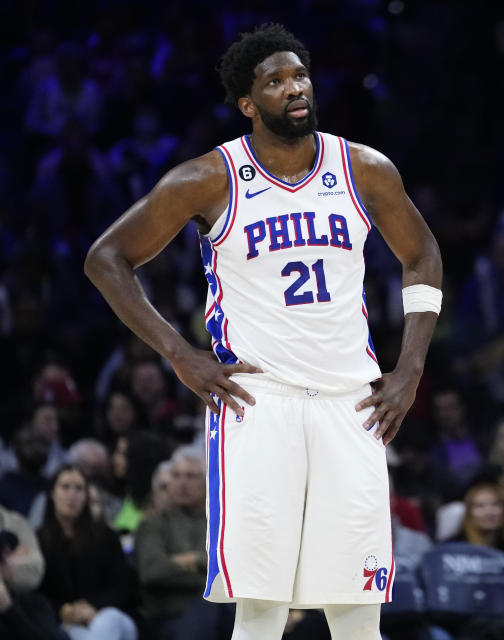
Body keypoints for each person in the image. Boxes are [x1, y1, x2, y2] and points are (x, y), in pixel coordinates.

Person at [84, 23, 442, 640]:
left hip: (352, 401)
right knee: (261, 608)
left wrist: (409, 368)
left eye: (299, 75)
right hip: (258, 398)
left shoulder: (363, 168)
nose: (293, 88)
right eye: (274, 81)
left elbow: (423, 256)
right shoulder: (208, 177)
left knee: (358, 609)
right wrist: (178, 352)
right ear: (248, 104)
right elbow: (106, 258)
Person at [136, 447, 234, 640]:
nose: (182, 483)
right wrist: (205, 567)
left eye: (190, 476)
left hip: (221, 612)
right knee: (213, 600)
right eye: (176, 475)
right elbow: (153, 572)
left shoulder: (221, 523)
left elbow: (233, 567)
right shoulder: (153, 524)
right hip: (170, 617)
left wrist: (191, 560)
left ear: (206, 481)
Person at [36, 466, 137, 640]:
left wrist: (93, 606)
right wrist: (62, 610)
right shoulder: (38, 539)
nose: (72, 495)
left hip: (109, 615)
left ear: (86, 496)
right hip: (64, 623)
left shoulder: (106, 536)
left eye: (79, 488)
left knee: (106, 622)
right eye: (65, 487)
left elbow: (124, 588)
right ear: (52, 493)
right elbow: (36, 593)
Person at [452, 482, 504, 556]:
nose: (489, 512)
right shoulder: (454, 547)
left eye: (495, 504)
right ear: (468, 512)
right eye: (480, 506)